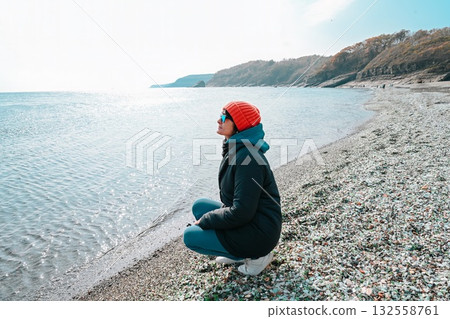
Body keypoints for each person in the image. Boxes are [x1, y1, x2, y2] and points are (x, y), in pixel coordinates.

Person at [183, 101, 282, 276]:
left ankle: (257, 256)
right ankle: (238, 252)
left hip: (261, 233)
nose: (218, 120)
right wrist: (208, 216)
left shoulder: (248, 158)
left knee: (190, 236)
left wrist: (207, 220)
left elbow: (242, 211)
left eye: (223, 117)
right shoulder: (238, 148)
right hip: (251, 220)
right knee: (200, 206)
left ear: (239, 124)